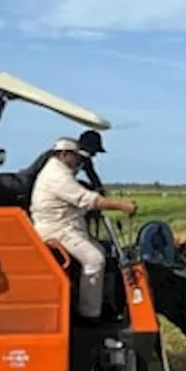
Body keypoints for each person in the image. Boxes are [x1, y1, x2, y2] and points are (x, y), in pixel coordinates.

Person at [29, 137, 137, 323]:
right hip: (57, 229)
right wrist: (121, 205)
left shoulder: (60, 170)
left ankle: (100, 303)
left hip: (65, 226)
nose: (79, 161)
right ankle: (89, 314)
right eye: (75, 156)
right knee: (94, 259)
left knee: (103, 250)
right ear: (64, 154)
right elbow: (88, 200)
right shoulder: (58, 176)